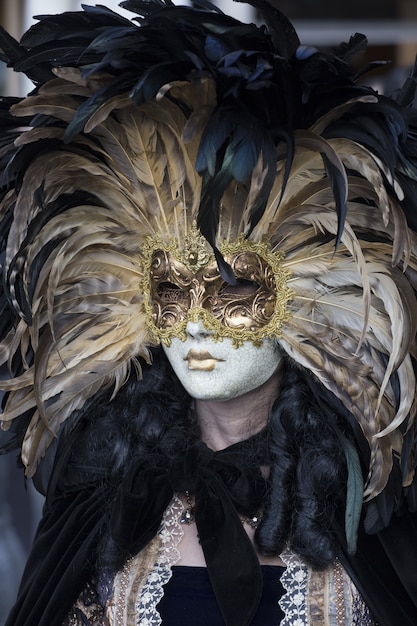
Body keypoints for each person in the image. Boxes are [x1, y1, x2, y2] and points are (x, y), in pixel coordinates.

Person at [0, 1, 416, 624]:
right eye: (172, 288)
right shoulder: (106, 504)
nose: (196, 321)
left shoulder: (374, 516)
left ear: (306, 304)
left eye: (233, 290)